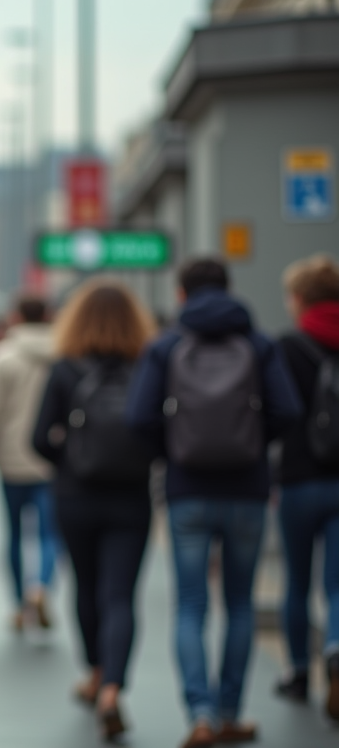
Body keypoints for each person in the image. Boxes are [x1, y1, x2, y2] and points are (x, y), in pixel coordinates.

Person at [127, 257, 301, 748]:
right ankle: (230, 714)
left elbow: (139, 418)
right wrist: (252, 444)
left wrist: (175, 452)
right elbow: (288, 410)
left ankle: (199, 715)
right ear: (228, 289)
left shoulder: (167, 345)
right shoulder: (259, 342)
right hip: (248, 489)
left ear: (182, 295)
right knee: (240, 604)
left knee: (190, 606)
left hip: (188, 492)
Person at [31, 279, 157, 741]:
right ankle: (113, 689)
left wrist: (71, 461)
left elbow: (39, 438)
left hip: (76, 496)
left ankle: (95, 672)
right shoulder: (145, 366)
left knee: (86, 587)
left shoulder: (65, 369)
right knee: (121, 594)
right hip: (132, 497)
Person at [272, 254, 339, 717]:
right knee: (338, 585)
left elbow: (274, 415)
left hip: (297, 479)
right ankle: (336, 648)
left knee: (297, 582)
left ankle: (298, 672)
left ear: (299, 299)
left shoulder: (287, 346)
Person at [0, 293, 59, 631]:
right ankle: (43, 586)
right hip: (52, 459)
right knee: (50, 534)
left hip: (10, 458)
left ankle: (20, 604)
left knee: (14, 535)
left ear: (16, 316)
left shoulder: (1, 355)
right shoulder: (62, 352)